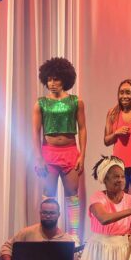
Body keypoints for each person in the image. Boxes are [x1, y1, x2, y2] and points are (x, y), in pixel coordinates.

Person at [33, 57, 87, 240]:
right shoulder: (40, 103)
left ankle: (74, 236)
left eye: (56, 79)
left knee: (72, 195)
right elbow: (35, 132)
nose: (52, 83)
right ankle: (48, 233)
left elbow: (82, 128)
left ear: (65, 79)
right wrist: (39, 157)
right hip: (49, 153)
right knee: (49, 195)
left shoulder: (76, 101)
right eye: (49, 79)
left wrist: (82, 155)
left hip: (70, 152)